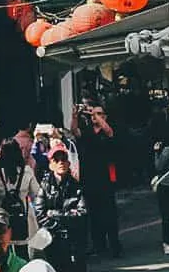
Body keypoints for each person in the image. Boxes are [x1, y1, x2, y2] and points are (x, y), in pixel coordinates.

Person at [71, 102, 120, 257]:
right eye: (93, 114)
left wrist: (98, 117)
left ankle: (115, 246)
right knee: (94, 214)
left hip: (106, 178)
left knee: (109, 214)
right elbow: (75, 131)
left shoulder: (107, 131)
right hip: (89, 178)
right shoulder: (87, 131)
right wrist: (75, 115)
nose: (94, 116)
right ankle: (99, 245)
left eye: (99, 113)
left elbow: (109, 131)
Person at [33, 142, 87, 272]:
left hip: (74, 241)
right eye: (56, 160)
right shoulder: (45, 186)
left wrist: (54, 214)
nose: (61, 163)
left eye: (63, 159)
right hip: (53, 241)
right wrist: (61, 222)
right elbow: (40, 214)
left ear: (69, 163)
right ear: (51, 165)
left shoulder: (76, 186)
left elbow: (82, 213)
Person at [0, 140, 40, 253]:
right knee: (22, 251)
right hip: (23, 217)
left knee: (3, 251)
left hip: (2, 218)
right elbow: (36, 194)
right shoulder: (27, 171)